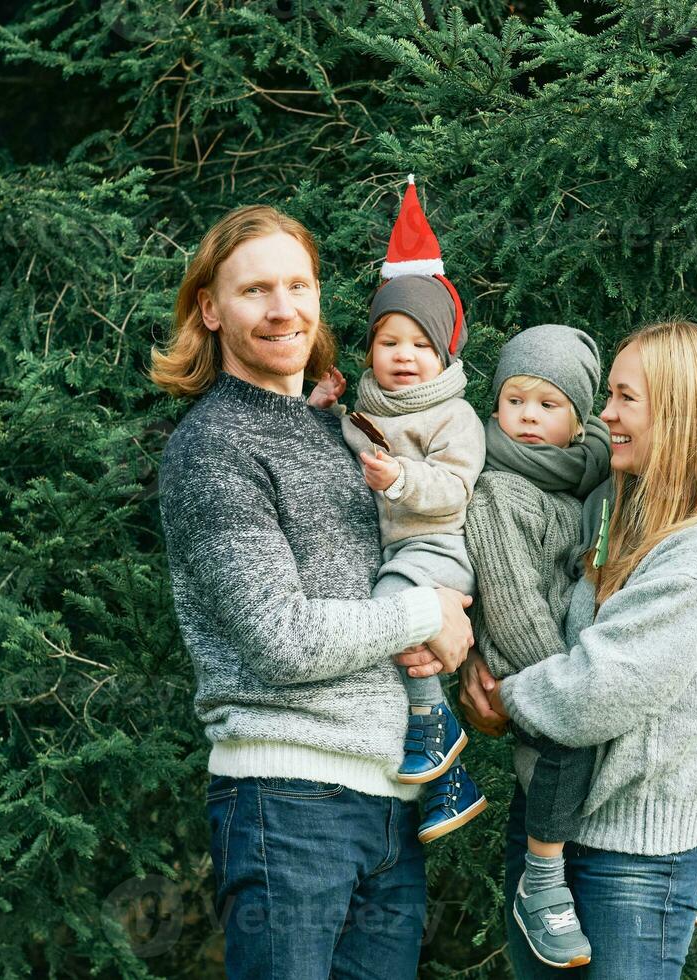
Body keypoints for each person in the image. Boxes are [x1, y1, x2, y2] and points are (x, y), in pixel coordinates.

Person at [150, 203, 474, 979]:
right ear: (210, 309)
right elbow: (282, 639)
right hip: (285, 799)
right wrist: (426, 612)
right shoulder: (213, 450)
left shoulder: (346, 431)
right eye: (256, 290)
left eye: (299, 285)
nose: (283, 308)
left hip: (392, 801)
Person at [457, 320, 697, 977]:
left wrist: (505, 695)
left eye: (624, 398)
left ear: (679, 412)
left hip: (632, 856)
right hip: (562, 832)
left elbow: (597, 691)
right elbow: (561, 633)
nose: (607, 414)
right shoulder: (622, 509)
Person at [334, 176, 488, 843]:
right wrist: (321, 409)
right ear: (369, 347)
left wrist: (400, 478)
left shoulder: (454, 416)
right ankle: (451, 786)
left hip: (436, 551)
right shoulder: (367, 409)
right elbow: (345, 444)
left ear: (444, 352)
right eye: (390, 341)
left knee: (397, 604)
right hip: (393, 551)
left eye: (421, 345)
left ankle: (436, 725)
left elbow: (454, 487)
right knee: (398, 636)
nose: (404, 356)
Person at [463, 323, 611, 967]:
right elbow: (513, 599)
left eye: (548, 405)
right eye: (514, 401)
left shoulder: (583, 484)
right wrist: (559, 679)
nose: (527, 417)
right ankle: (543, 885)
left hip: (566, 665)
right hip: (528, 663)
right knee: (560, 758)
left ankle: (656, 880)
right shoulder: (499, 490)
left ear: (578, 423)